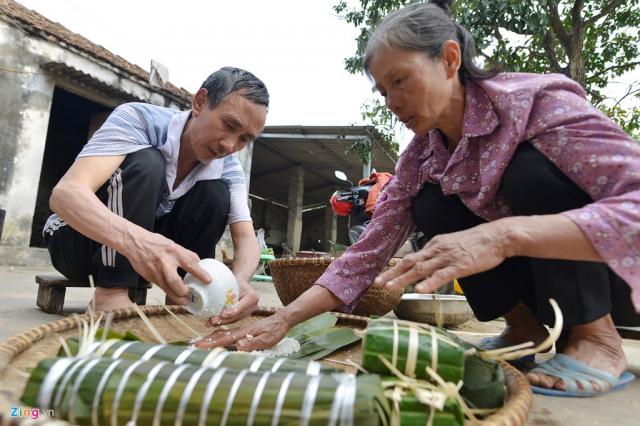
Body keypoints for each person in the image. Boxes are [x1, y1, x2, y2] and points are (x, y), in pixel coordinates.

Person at [198, 2, 640, 395]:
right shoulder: (424, 155)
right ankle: (523, 328)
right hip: (542, 292)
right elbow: (366, 254)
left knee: (530, 171)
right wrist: (284, 319)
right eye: (383, 90)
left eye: (401, 80)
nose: (392, 101)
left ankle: (597, 339)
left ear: (449, 59)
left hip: (610, 275)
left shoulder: (537, 105)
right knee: (431, 201)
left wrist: (504, 236)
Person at [44, 66, 268, 324]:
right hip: (76, 245)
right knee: (148, 163)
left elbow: (246, 237)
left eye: (244, 139)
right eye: (228, 125)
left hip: (148, 263)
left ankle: (186, 299)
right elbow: (65, 195)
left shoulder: (228, 167)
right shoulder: (138, 119)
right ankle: (111, 292)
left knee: (215, 193)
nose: (230, 146)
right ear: (200, 102)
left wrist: (238, 281)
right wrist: (139, 242)